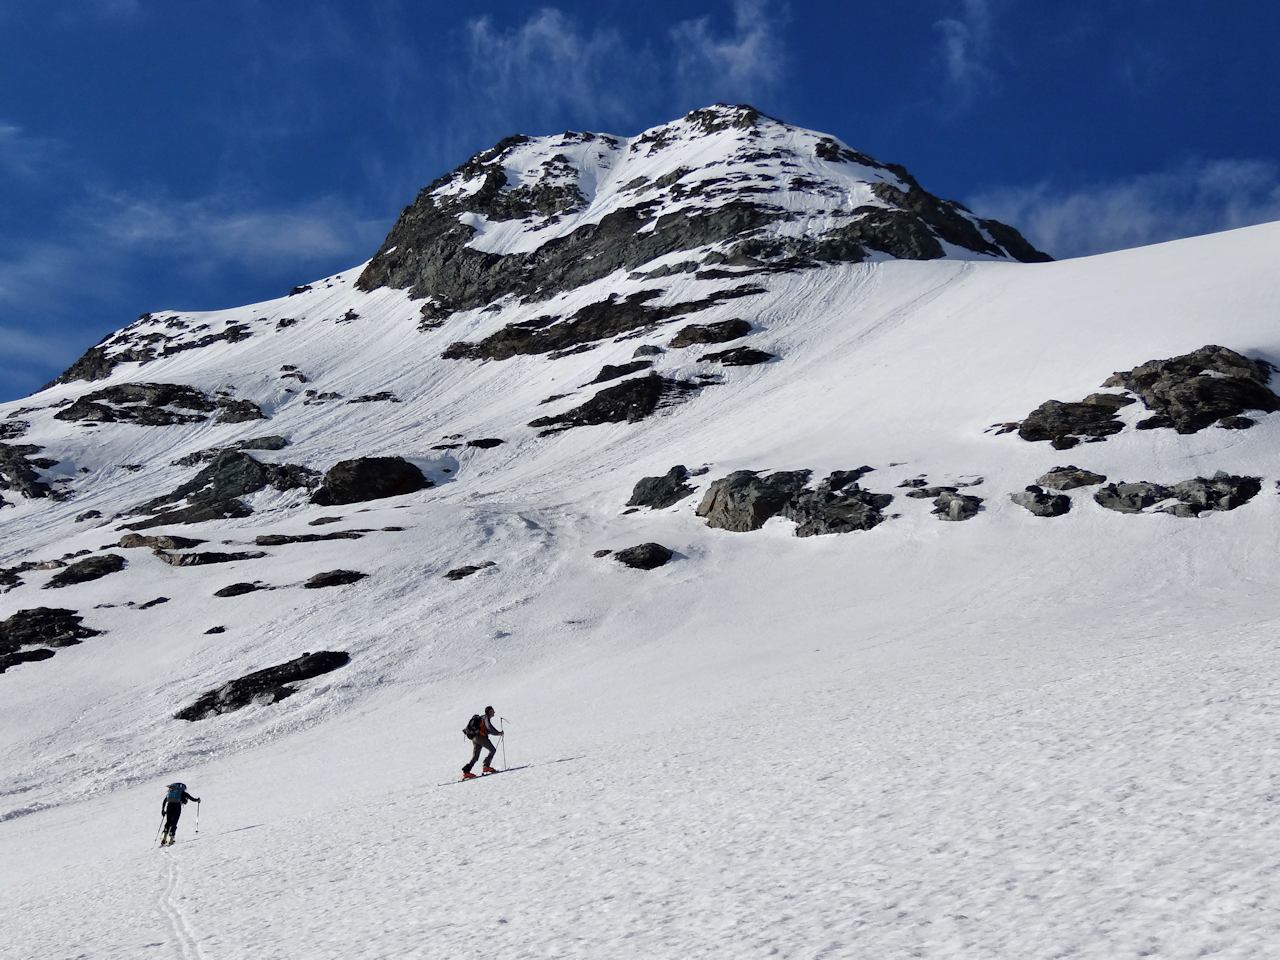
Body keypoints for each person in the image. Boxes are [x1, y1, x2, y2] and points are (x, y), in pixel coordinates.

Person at [462, 706, 503, 780]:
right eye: (493, 711)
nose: (494, 712)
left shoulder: (482, 718)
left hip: (474, 738)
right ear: (489, 711)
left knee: (475, 756)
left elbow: (487, 729)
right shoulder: (485, 717)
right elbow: (489, 727)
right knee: (492, 750)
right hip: (480, 737)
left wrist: (497, 733)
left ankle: (466, 772)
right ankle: (486, 766)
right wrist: (498, 733)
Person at [160, 782, 200, 846]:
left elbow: (165, 801)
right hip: (177, 807)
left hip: (169, 807)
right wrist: (197, 800)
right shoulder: (183, 793)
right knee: (174, 823)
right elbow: (192, 799)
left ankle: (164, 837)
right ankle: (171, 838)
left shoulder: (170, 792)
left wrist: (162, 810)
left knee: (168, 822)